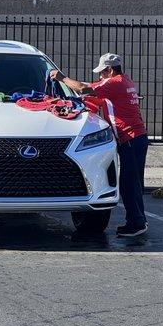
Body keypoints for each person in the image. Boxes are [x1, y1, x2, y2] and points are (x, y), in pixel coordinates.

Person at [50, 53, 149, 237]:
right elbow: (101, 99)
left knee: (128, 183)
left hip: (129, 139)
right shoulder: (125, 81)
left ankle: (136, 223)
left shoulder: (113, 83)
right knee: (134, 182)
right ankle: (139, 219)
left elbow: (82, 88)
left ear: (110, 70)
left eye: (102, 73)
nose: (99, 77)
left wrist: (61, 77)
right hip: (138, 138)